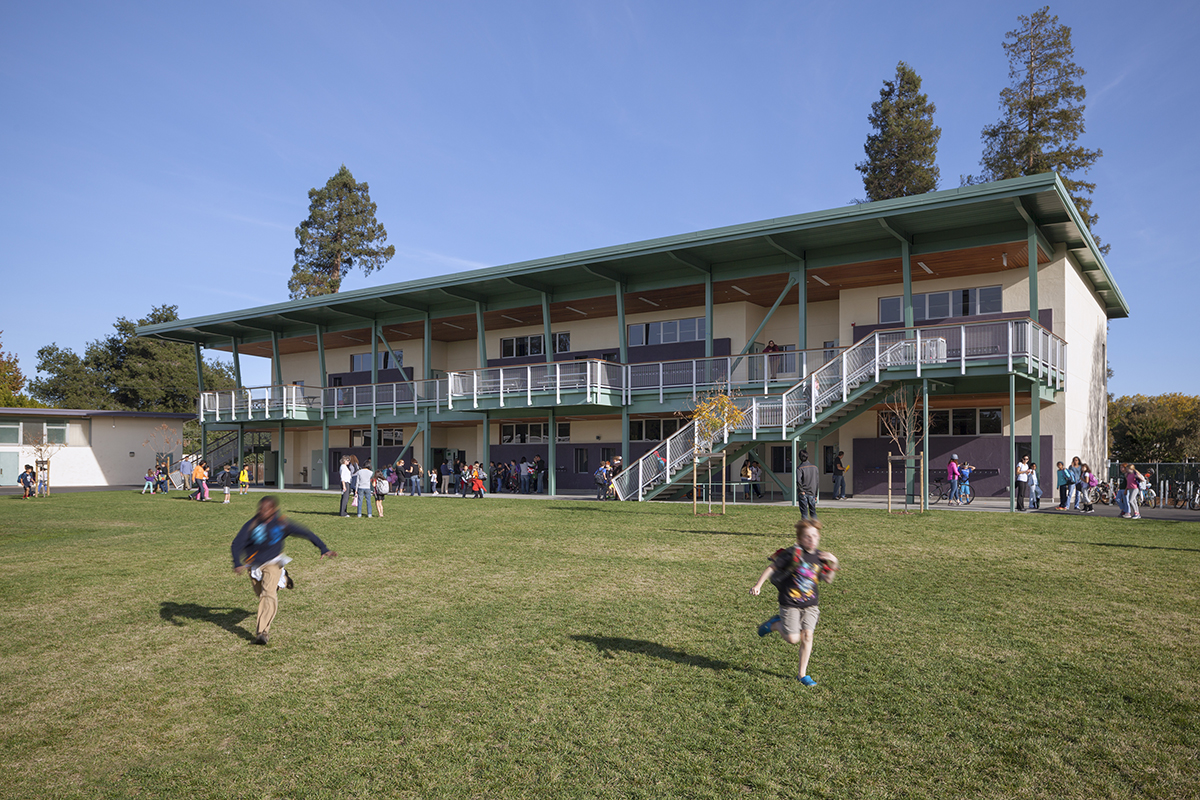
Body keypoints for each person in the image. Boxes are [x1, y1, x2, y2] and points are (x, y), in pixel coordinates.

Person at [230, 495, 336, 645]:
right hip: (253, 564)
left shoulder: (281, 523)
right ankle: (284, 578)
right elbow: (236, 543)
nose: (263, 512)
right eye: (261, 509)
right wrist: (236, 562)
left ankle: (262, 633)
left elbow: (305, 532)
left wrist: (323, 548)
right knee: (261, 594)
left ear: (274, 510)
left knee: (268, 595)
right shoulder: (252, 524)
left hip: (273, 562)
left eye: (267, 509)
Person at [750, 518, 839, 687]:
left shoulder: (820, 558)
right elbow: (772, 568)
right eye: (807, 536)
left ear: (819, 537)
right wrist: (758, 585)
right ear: (799, 539)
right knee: (793, 639)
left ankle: (802, 674)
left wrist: (834, 562)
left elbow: (827, 579)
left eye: (814, 535)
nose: (811, 539)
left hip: (811, 605)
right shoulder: (793, 553)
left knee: (807, 635)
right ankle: (775, 624)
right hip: (789, 603)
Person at [796, 450, 819, 520]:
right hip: (812, 492)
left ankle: (805, 528)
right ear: (807, 457)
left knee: (804, 513)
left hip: (803, 493)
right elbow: (817, 482)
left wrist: (801, 490)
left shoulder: (799, 468)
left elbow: (798, 481)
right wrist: (816, 494)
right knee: (813, 512)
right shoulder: (815, 468)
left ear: (799, 457)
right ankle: (815, 527)